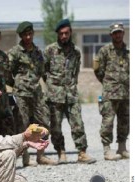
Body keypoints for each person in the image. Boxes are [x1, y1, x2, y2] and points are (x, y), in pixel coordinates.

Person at [43, 19, 96, 164]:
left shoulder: (76, 51)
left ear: (70, 32)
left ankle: (82, 152)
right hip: (55, 95)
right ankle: (61, 151)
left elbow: (75, 71)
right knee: (55, 127)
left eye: (66, 33)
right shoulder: (50, 50)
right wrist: (52, 86)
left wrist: (71, 85)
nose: (64, 36)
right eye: (61, 34)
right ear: (58, 35)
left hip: (71, 94)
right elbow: (44, 70)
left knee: (78, 124)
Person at [8, 21, 57, 166]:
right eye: (25, 35)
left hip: (36, 93)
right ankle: (25, 158)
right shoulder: (15, 52)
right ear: (21, 36)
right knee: (23, 125)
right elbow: (8, 72)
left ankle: (41, 155)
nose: (28, 37)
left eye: (30, 34)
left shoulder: (37, 52)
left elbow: (42, 72)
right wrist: (17, 84)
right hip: (21, 94)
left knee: (43, 122)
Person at [93, 22, 129, 160]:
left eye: (119, 32)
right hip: (109, 94)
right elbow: (98, 70)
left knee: (124, 121)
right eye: (115, 33)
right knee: (107, 122)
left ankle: (122, 148)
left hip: (126, 93)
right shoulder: (105, 51)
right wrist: (107, 83)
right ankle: (107, 150)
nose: (118, 35)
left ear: (123, 33)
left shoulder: (129, 52)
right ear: (111, 35)